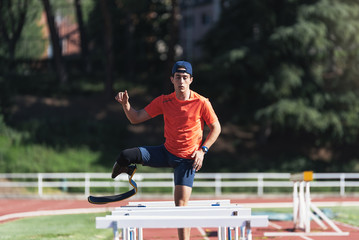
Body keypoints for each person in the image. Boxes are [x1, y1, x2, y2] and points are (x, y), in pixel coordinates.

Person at [112, 60, 221, 240]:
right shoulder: (164, 101)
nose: (181, 81)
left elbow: (216, 128)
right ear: (172, 79)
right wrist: (125, 105)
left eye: (185, 77)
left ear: (191, 80)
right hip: (165, 152)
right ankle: (125, 168)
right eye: (178, 77)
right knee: (125, 155)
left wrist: (203, 150)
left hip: (187, 160)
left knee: (180, 207)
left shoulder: (202, 102)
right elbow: (136, 118)